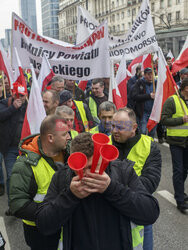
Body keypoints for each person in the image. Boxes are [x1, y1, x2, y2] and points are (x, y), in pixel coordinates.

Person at [36, 132, 160, 250]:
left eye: (92, 166)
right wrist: (70, 196)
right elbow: (44, 224)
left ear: (101, 157)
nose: (87, 174)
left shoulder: (123, 171)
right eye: (80, 167)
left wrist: (111, 188)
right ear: (72, 159)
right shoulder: (61, 177)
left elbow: (150, 213)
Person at [9, 115, 71, 250]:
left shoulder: (70, 152)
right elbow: (17, 205)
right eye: (65, 134)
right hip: (40, 233)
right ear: (50, 138)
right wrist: (51, 214)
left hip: (67, 227)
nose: (69, 137)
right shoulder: (24, 165)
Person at [111, 107, 162, 250]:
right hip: (109, 215)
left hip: (139, 213)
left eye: (120, 127)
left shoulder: (149, 145)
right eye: (113, 126)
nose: (114, 131)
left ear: (134, 127)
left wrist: (113, 188)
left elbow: (150, 183)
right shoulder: (105, 145)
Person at [161, 78, 188, 213]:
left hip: (187, 141)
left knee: (185, 170)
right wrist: (181, 120)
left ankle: (181, 192)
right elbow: (164, 119)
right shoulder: (172, 100)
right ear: (186, 88)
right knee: (178, 170)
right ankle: (180, 200)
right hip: (176, 141)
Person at [0, 84, 27, 214]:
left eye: (22, 95)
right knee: (11, 175)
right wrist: (13, 108)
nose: (20, 98)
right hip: (10, 148)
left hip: (26, 148)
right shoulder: (5, 103)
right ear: (12, 93)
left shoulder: (30, 105)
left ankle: (24, 200)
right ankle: (13, 205)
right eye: (17, 95)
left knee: (24, 176)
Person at [131, 67, 156, 137]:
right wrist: (149, 96)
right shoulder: (139, 83)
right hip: (143, 113)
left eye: (152, 74)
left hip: (153, 113)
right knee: (143, 131)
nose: (150, 76)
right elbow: (135, 96)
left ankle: (151, 146)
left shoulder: (156, 83)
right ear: (144, 75)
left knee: (152, 132)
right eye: (148, 74)